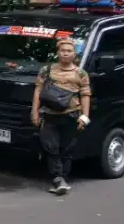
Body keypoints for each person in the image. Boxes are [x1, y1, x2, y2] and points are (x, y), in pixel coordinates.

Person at [31, 38, 91, 195]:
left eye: (69, 51)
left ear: (74, 54)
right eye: (63, 50)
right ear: (58, 53)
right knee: (51, 148)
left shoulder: (81, 73)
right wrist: (35, 112)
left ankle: (62, 178)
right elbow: (38, 90)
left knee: (67, 149)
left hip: (71, 115)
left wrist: (85, 117)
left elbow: (85, 95)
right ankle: (58, 178)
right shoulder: (46, 70)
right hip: (49, 115)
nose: (65, 53)